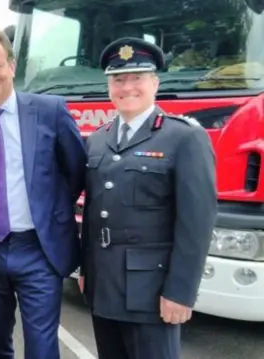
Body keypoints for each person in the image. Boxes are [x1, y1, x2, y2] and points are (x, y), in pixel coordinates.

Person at [0, 29, 87, 359]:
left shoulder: (50, 111)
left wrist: (56, 214)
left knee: (41, 348)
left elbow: (76, 170)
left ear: (11, 65)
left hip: (39, 249)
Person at [79, 37, 217, 359]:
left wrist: (181, 292)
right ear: (109, 86)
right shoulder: (98, 140)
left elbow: (196, 224)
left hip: (153, 293)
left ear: (155, 82)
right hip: (104, 286)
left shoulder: (184, 137)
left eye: (137, 77)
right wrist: (86, 271)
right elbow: (93, 212)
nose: (127, 87)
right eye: (117, 79)